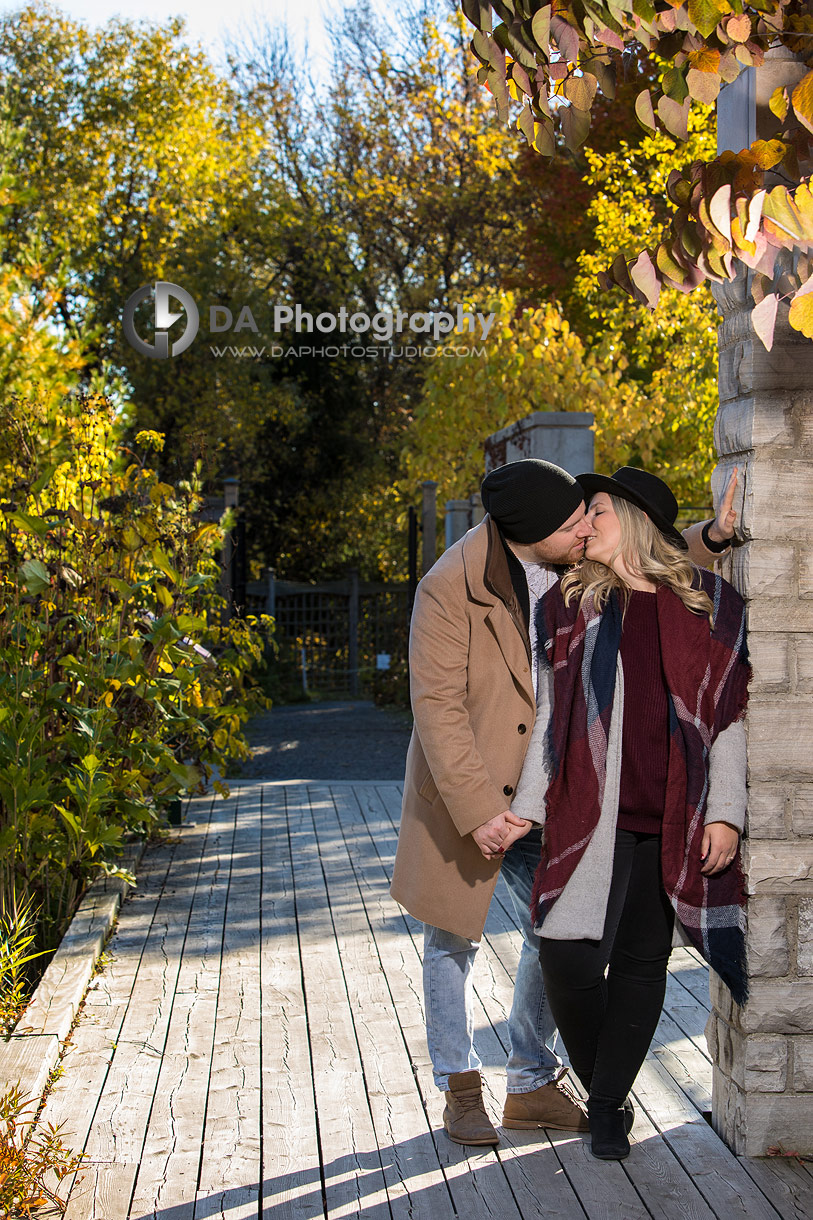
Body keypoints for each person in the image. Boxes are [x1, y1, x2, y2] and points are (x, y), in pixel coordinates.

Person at [390, 457, 735, 1147]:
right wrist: (479, 809)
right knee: (449, 938)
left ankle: (528, 1084)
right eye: (575, 522)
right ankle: (458, 1085)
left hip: (555, 785)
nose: (584, 527)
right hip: (472, 787)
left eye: (587, 515)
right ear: (532, 533)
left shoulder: (570, 548)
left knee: (549, 936)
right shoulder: (448, 587)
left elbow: (644, 548)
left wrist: (715, 537)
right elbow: (437, 707)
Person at [512, 467, 749, 1161]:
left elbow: (727, 720)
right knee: (564, 957)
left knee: (643, 962)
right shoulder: (565, 605)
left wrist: (726, 815)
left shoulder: (708, 603)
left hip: (677, 810)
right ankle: (606, 1087)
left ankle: (607, 1108)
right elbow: (549, 717)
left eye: (597, 512)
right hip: (592, 812)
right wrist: (526, 811)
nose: (584, 525)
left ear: (636, 521)